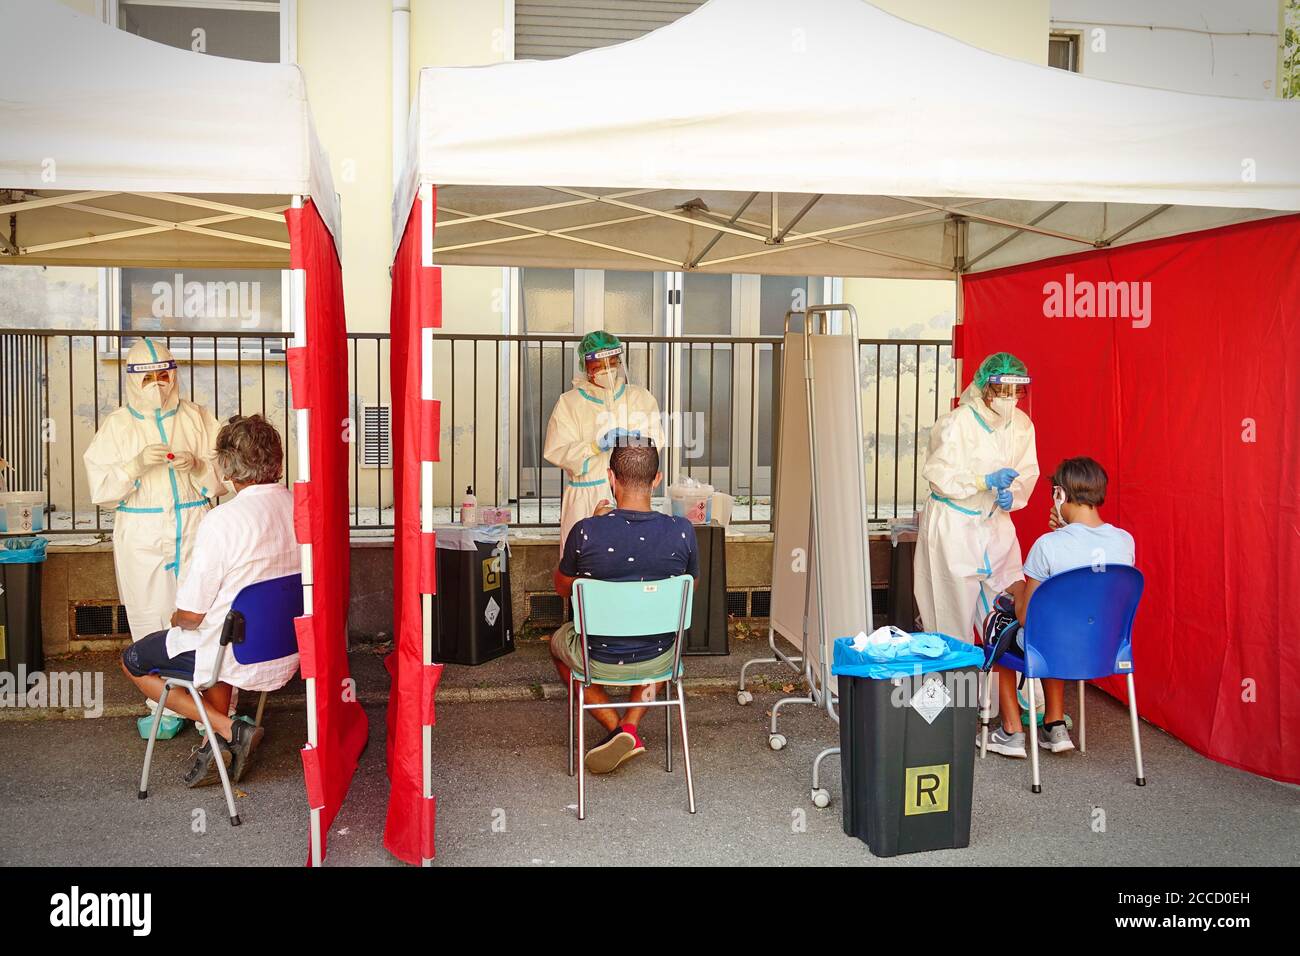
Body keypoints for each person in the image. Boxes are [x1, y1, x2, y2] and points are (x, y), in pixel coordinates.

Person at [120, 414, 301, 787]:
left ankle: (226, 727)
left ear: (226, 467)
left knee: (134, 661)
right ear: (277, 460)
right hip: (290, 647)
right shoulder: (300, 508)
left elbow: (191, 615)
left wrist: (173, 618)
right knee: (221, 636)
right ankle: (217, 743)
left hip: (235, 654)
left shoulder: (223, 520)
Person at [84, 337, 221, 740]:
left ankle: (207, 707)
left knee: (202, 616)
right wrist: (134, 466)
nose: (158, 385)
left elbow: (219, 479)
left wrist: (197, 466)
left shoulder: (197, 417)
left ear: (174, 374)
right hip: (142, 534)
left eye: (164, 375)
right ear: (131, 381)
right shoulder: (117, 426)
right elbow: (102, 491)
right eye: (147, 378)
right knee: (149, 617)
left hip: (194, 526)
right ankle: (163, 706)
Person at [550, 439, 697, 774]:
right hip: (659, 657)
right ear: (657, 479)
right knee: (663, 643)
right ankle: (628, 727)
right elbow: (688, 590)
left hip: (596, 658)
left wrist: (597, 523)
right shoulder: (682, 531)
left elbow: (562, 588)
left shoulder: (586, 532)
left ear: (611, 479)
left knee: (556, 645)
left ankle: (617, 727)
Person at [984, 457, 1135, 758]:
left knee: (1000, 625)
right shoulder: (1124, 541)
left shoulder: (1047, 546)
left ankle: (1011, 732)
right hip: (1105, 648)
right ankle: (1054, 725)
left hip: (1052, 646)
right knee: (1060, 626)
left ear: (1060, 495)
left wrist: (1016, 589)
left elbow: (1028, 617)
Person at [914, 351, 1039, 643]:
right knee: (950, 617)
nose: (1009, 398)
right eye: (1002, 390)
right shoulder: (957, 423)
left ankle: (1001, 689)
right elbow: (939, 476)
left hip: (996, 523)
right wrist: (982, 481)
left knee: (1004, 613)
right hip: (954, 526)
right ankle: (954, 687)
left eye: (1015, 390)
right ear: (985, 387)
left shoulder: (1021, 425)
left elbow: (1027, 471)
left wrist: (1014, 494)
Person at [544, 330, 664, 550]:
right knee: (581, 561)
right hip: (584, 496)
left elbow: (654, 441)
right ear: (585, 366)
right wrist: (593, 446)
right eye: (598, 365)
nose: (605, 370)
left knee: (627, 562)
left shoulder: (639, 398)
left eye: (611, 363)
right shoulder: (570, 403)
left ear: (619, 362)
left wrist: (634, 444)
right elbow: (556, 449)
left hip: (631, 493)